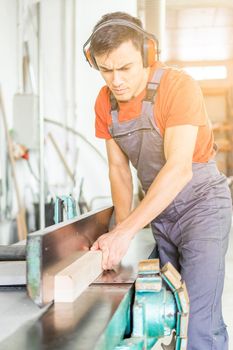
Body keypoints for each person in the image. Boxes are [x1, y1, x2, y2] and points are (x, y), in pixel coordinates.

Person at [83, 11, 232, 350]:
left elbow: (179, 168)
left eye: (125, 68)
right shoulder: (104, 103)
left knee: (198, 323)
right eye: (106, 70)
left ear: (148, 55)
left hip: (202, 207)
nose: (115, 80)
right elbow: (119, 170)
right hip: (161, 211)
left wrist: (125, 231)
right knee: (169, 313)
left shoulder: (177, 87)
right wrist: (121, 234)